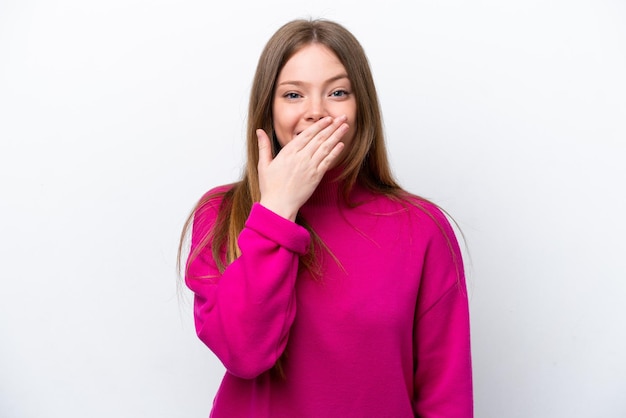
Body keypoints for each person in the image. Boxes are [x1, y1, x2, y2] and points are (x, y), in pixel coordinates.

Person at [180, 18, 473, 418]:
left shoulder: (422, 228)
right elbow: (244, 354)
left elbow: (446, 396)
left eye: (337, 92)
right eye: (293, 94)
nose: (315, 113)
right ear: (269, 109)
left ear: (361, 107)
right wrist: (276, 210)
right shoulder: (221, 214)